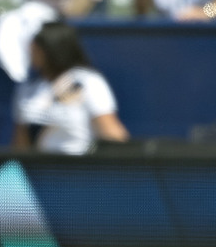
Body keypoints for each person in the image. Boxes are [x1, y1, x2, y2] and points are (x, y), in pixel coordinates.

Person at [13, 21, 129, 154]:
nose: (31, 50)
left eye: (37, 46)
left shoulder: (89, 82)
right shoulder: (27, 89)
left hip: (77, 165)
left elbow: (113, 134)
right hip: (36, 166)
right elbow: (20, 148)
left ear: (52, 48)